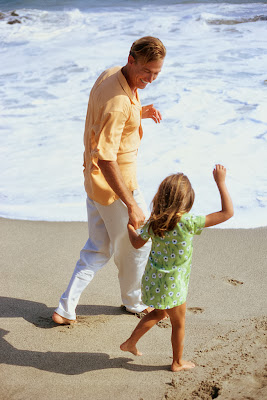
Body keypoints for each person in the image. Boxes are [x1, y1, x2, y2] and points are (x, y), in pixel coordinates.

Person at [52, 36, 166, 324]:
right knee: (140, 242)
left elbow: (104, 122)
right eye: (147, 72)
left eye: (156, 73)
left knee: (98, 246)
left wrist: (140, 113)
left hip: (93, 182)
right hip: (117, 187)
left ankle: (65, 308)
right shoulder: (118, 103)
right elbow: (106, 156)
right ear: (132, 60)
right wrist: (131, 205)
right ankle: (134, 301)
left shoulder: (112, 74)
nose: (150, 79)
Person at [120, 164, 234, 372]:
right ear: (188, 200)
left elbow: (137, 243)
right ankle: (177, 362)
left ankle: (130, 343)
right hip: (174, 284)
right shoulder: (189, 222)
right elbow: (227, 213)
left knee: (158, 313)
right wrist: (221, 182)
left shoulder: (154, 222)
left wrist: (129, 227)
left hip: (154, 281)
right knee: (178, 323)